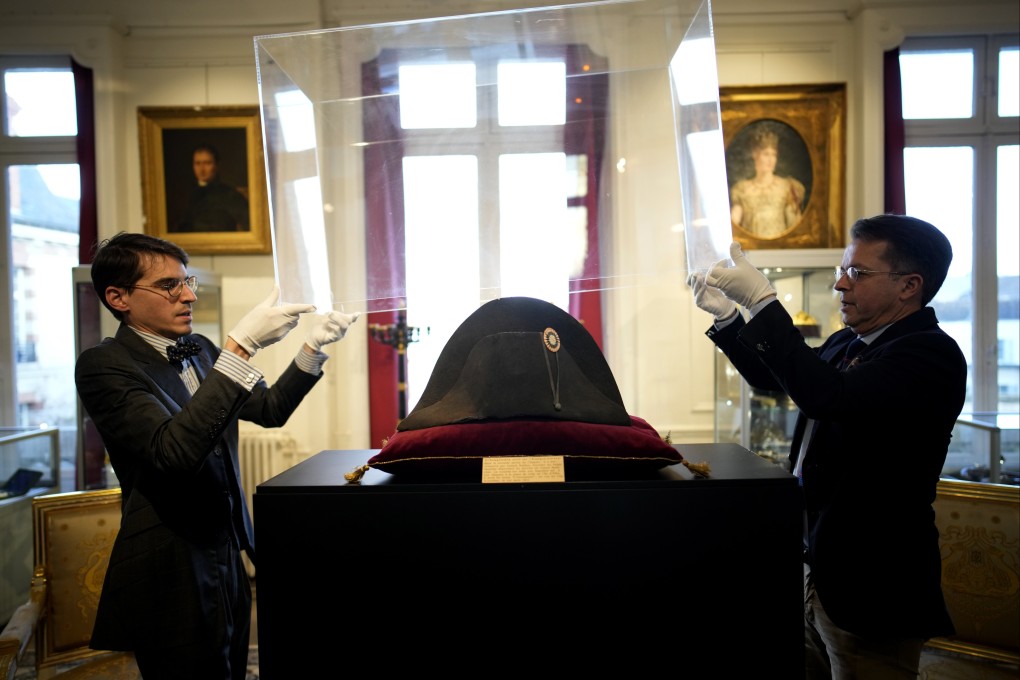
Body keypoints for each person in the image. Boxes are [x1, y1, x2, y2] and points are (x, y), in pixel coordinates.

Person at [688, 214, 966, 678]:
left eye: (857, 272)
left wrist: (764, 301)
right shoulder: (847, 341)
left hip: (873, 578)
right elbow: (774, 377)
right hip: (819, 563)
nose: (840, 284)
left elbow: (827, 395)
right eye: (843, 268)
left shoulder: (929, 354)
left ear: (909, 285)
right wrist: (730, 318)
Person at [75, 231, 358, 679]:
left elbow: (269, 410)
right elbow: (173, 452)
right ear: (118, 297)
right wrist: (242, 347)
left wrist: (311, 349)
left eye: (188, 281)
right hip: (170, 563)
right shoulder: (103, 365)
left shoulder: (203, 351)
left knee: (230, 668)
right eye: (170, 285)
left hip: (228, 547)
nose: (188, 295)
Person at [729, 125, 807, 238]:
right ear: (755, 155)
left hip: (780, 250)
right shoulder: (742, 189)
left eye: (773, 155)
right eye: (766, 154)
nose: (770, 160)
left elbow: (794, 226)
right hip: (750, 251)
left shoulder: (787, 187)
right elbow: (734, 224)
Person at [176, 143, 250, 232]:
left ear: (216, 165)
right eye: (197, 163)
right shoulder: (184, 195)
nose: (202, 169)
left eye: (207, 163)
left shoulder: (230, 195)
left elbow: (248, 225)